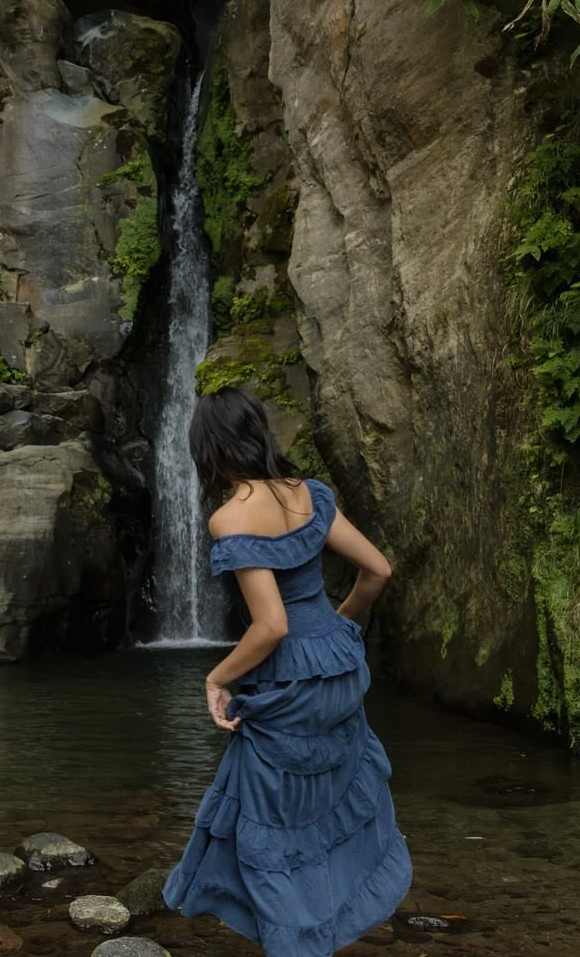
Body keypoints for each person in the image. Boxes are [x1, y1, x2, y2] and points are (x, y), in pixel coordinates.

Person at [162, 386, 412, 955]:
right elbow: (377, 570)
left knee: (269, 828)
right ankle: (322, 926)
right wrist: (335, 629)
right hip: (340, 670)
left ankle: (295, 942)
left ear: (209, 446)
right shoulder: (312, 494)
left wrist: (216, 678)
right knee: (321, 809)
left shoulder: (230, 517)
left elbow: (270, 626)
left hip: (290, 685)